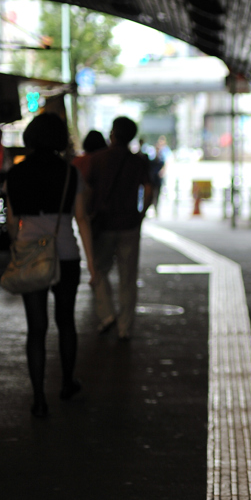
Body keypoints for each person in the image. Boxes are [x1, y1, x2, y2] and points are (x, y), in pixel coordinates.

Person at [5, 113, 96, 418]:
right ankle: (67, 383)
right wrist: (93, 267)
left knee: (36, 328)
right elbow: (81, 219)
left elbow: (11, 222)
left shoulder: (15, 174)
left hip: (31, 255)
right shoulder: (71, 174)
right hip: (65, 254)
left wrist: (20, 245)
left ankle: (38, 398)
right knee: (66, 321)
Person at [88, 116, 153, 340]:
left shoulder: (97, 159)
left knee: (99, 269)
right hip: (129, 225)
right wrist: (141, 214)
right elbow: (149, 188)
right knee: (128, 277)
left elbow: (88, 191)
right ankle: (125, 326)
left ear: (112, 133)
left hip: (104, 224)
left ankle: (107, 314)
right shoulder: (138, 161)